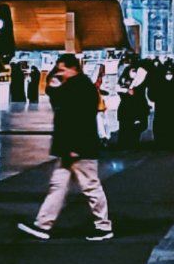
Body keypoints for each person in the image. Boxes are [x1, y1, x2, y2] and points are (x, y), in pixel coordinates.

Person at [17, 51, 113, 242]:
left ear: (73, 69)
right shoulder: (74, 85)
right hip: (71, 146)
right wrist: (54, 78)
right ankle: (43, 225)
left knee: (90, 186)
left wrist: (74, 147)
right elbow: (56, 97)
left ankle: (103, 226)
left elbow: (79, 119)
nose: (60, 73)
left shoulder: (81, 88)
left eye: (62, 70)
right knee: (58, 186)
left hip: (79, 147)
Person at [115, 54, 150, 150]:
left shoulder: (130, 72)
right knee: (132, 126)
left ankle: (127, 145)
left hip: (130, 105)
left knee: (128, 127)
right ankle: (130, 145)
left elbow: (119, 87)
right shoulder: (140, 73)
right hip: (135, 105)